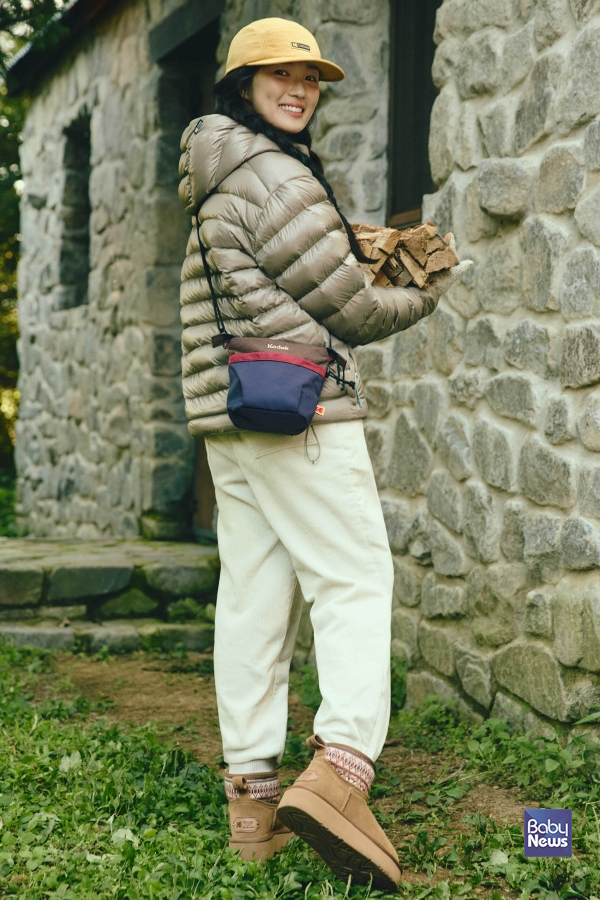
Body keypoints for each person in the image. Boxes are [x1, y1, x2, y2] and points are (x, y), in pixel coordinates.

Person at [178, 17, 470, 892]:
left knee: (255, 599)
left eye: (310, 77)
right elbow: (352, 310)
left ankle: (254, 799)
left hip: (231, 418)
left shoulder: (215, 172)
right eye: (280, 76)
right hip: (303, 414)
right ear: (242, 87)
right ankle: (342, 773)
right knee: (353, 581)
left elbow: (288, 279)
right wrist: (426, 283)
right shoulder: (276, 176)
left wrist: (343, 247)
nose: (299, 89)